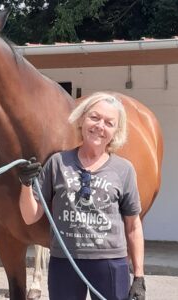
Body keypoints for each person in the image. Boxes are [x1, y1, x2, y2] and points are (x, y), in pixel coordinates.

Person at [18, 92, 146, 300]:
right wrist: (25, 184)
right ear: (82, 119)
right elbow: (30, 216)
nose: (100, 126)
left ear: (116, 131)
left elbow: (133, 226)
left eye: (109, 123)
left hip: (110, 262)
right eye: (94, 117)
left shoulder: (124, 170)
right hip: (65, 262)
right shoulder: (58, 163)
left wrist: (139, 276)